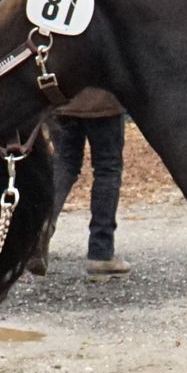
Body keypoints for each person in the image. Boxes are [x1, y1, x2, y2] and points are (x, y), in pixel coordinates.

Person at [37, 90, 131, 278]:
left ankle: (43, 224)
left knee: (64, 163)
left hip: (63, 100)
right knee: (107, 168)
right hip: (103, 102)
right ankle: (101, 252)